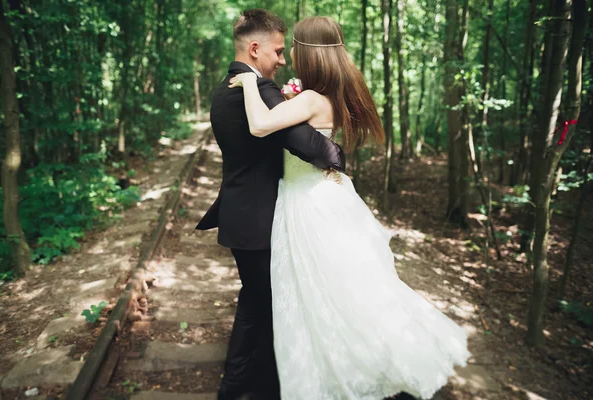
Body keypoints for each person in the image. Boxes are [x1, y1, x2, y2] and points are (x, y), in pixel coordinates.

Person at [228, 16, 471, 400]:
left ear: (307, 52)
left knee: (318, 292)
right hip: (326, 195)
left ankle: (330, 370)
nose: (288, 54)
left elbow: (260, 126)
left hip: (305, 200)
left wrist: (246, 82)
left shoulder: (308, 99)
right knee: (336, 288)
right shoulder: (328, 97)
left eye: (292, 46)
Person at [196, 9, 346, 400]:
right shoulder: (260, 91)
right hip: (261, 220)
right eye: (278, 52)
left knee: (257, 300)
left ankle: (253, 382)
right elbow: (309, 146)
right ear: (255, 48)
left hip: (241, 213)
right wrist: (339, 158)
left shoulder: (221, 87)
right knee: (261, 305)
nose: (282, 60)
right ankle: (243, 387)